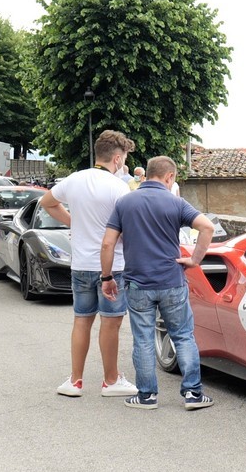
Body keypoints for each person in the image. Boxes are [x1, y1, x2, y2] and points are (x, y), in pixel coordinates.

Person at [101, 155, 215, 411]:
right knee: (184, 336)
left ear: (146, 174)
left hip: (138, 283)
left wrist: (107, 277)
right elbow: (206, 227)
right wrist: (194, 260)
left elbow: (108, 243)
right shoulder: (176, 203)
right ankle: (193, 394)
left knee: (142, 339)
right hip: (171, 280)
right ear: (169, 177)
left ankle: (146, 397)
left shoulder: (125, 203)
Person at [42, 130, 139, 399]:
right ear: (117, 159)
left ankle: (75, 381)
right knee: (111, 323)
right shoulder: (120, 188)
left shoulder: (74, 180)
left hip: (80, 263)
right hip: (112, 266)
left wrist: (74, 222)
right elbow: (129, 227)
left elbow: (47, 202)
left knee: (81, 321)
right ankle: (110, 380)